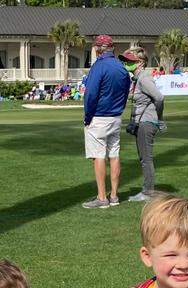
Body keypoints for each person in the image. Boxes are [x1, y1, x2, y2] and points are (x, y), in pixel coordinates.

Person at [81, 34, 131, 209]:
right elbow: (126, 92)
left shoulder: (99, 66)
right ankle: (114, 196)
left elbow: (91, 94)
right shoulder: (121, 67)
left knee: (99, 156)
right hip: (115, 117)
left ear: (98, 48)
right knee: (114, 154)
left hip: (99, 117)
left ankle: (102, 198)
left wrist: (87, 117)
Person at [120, 47, 164, 202]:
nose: (125, 64)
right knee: (144, 158)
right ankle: (147, 190)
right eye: (124, 61)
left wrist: (159, 119)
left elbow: (159, 98)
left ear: (139, 63)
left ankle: (148, 192)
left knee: (146, 158)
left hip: (146, 122)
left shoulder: (144, 78)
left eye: (128, 61)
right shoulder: (138, 78)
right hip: (143, 122)